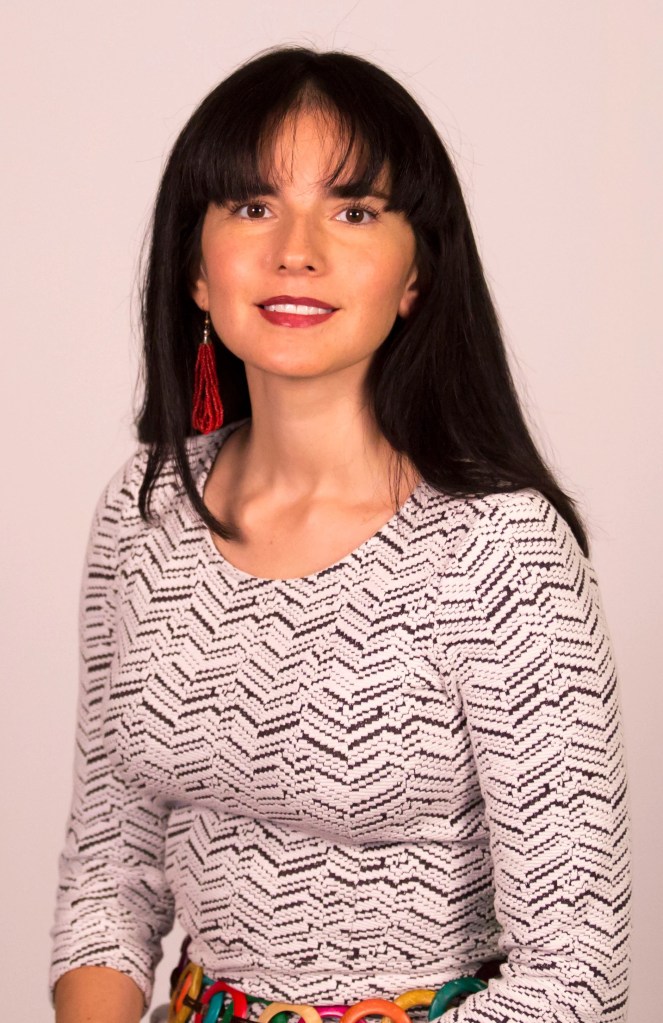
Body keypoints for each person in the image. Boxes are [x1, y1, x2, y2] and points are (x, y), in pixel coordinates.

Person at [50, 45, 631, 1023]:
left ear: (416, 278)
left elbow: (573, 978)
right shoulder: (142, 512)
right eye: (251, 205)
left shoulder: (498, 553)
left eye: (354, 210)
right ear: (196, 268)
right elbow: (109, 871)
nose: (297, 249)